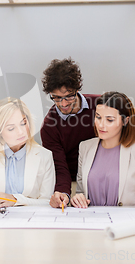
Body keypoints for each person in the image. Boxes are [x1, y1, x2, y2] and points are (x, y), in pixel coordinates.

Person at [72, 92, 135, 213]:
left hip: (127, 224)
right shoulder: (85, 147)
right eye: (98, 117)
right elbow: (81, 192)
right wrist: (78, 198)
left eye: (109, 120)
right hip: (92, 221)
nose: (101, 124)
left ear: (125, 121)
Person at [0, 98, 55, 213]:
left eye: (23, 123)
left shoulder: (45, 156)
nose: (21, 132)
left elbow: (47, 201)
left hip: (31, 222)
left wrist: (15, 200)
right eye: (11, 128)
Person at [40, 58, 99, 209]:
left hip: (103, 178)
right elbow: (60, 166)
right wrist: (64, 194)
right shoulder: (49, 126)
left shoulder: (100, 105)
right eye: (57, 98)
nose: (63, 104)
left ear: (77, 89)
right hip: (72, 182)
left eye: (69, 96)